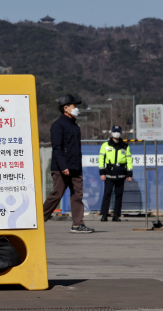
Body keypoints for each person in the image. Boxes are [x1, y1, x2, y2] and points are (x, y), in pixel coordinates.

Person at [42, 95, 95, 234]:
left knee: (77, 195)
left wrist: (76, 166)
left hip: (75, 167)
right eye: (74, 106)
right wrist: (63, 166)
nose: (76, 108)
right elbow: (57, 148)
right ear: (65, 108)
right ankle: (38, 219)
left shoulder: (75, 126)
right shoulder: (58, 125)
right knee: (57, 194)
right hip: (62, 168)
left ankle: (78, 224)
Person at [99, 126, 133, 222]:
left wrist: (129, 174)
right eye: (115, 131)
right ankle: (104, 215)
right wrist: (102, 173)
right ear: (111, 133)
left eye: (118, 132)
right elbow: (101, 159)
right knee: (107, 194)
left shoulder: (125, 146)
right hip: (109, 174)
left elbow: (129, 160)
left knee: (119, 195)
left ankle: (116, 216)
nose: (116, 133)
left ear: (121, 133)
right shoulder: (105, 145)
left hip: (121, 174)